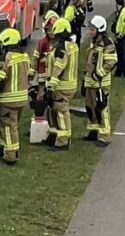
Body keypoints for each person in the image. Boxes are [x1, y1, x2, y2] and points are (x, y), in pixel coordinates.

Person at [0, 28, 30, 165]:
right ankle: (4, 149)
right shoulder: (24, 56)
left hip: (7, 101)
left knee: (7, 128)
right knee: (13, 126)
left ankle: (10, 157)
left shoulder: (5, 59)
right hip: (21, 99)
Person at [82, 15, 117, 147]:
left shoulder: (107, 44)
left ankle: (104, 136)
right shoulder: (94, 42)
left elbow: (111, 62)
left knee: (101, 108)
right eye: (90, 29)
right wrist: (85, 79)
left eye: (93, 29)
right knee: (90, 107)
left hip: (101, 83)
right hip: (91, 82)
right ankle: (93, 131)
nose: (90, 32)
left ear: (100, 30)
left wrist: (98, 75)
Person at [45, 18, 79, 151]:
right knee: (63, 112)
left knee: (61, 113)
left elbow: (59, 67)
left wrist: (50, 87)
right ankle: (63, 139)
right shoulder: (73, 45)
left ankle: (62, 142)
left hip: (62, 86)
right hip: (70, 84)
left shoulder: (62, 47)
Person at [29, 12, 58, 117]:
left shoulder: (60, 44)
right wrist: (31, 74)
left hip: (55, 78)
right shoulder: (42, 43)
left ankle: (53, 120)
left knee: (55, 99)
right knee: (40, 97)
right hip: (43, 77)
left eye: (52, 29)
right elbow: (35, 59)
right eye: (48, 29)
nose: (50, 32)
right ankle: (38, 119)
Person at [111, 0, 125, 77]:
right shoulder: (121, 11)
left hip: (123, 36)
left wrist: (121, 33)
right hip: (120, 35)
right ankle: (119, 72)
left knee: (123, 54)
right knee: (119, 54)